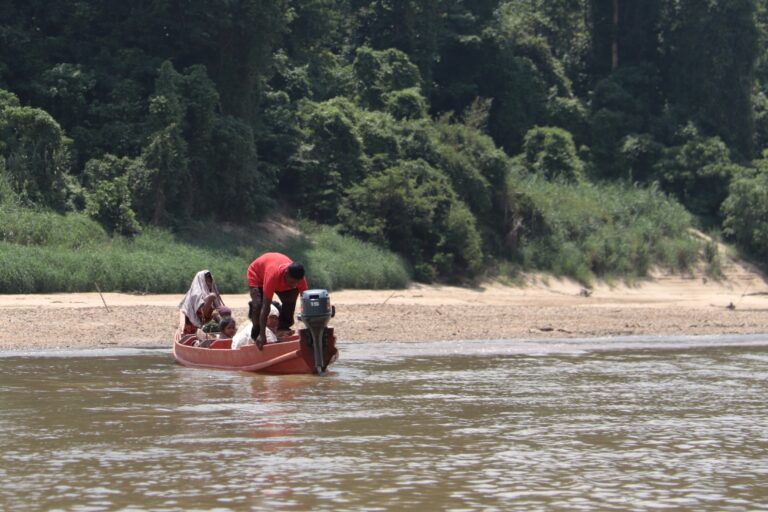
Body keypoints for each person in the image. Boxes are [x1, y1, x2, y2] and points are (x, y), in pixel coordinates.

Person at [246, 252, 307, 349]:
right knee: (258, 305)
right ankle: (256, 334)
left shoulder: (300, 279)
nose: (294, 285)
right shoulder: (273, 275)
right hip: (258, 275)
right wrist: (262, 335)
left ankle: (282, 327)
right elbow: (266, 307)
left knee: (293, 293)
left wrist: (312, 328)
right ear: (286, 274)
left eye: (297, 282)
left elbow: (307, 303)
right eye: (292, 282)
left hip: (279, 280)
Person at [175, 270, 224, 342]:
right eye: (207, 281)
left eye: (211, 281)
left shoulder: (210, 294)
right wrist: (210, 299)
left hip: (205, 329)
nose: (210, 284)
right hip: (191, 330)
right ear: (201, 282)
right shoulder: (196, 295)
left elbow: (218, 311)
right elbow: (203, 315)